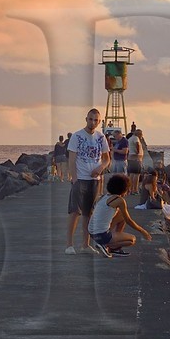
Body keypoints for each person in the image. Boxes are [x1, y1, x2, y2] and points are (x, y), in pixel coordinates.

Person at [64, 109, 111, 254]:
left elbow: (107, 158)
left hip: (94, 180)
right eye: (90, 119)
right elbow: (72, 159)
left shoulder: (100, 137)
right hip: (81, 179)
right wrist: (75, 179)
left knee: (88, 213)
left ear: (99, 121)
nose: (93, 122)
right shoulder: (77, 136)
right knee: (74, 212)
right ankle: (69, 245)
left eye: (96, 120)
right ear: (86, 119)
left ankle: (85, 244)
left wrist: (101, 168)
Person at [86, 173, 154, 258]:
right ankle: (107, 245)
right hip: (102, 235)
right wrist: (143, 231)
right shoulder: (119, 200)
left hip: (92, 233)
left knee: (121, 215)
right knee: (132, 239)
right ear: (123, 189)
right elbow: (129, 220)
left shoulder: (103, 197)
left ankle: (112, 246)